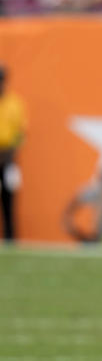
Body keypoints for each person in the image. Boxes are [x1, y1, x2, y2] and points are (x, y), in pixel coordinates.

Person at [0, 64, 27, 243]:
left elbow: (20, 133)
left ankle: (10, 238)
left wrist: (10, 154)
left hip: (8, 158)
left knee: (9, 199)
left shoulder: (14, 103)